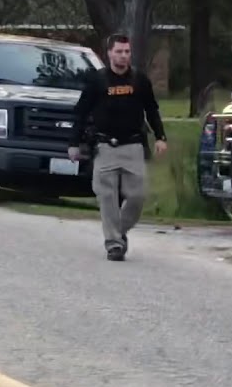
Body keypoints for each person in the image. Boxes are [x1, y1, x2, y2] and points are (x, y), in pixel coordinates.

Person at [65, 33, 167, 262]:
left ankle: (118, 231)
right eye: (119, 51)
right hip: (105, 146)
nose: (123, 55)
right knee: (107, 197)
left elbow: (151, 110)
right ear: (109, 53)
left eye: (127, 51)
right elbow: (80, 113)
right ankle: (114, 245)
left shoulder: (140, 81)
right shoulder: (97, 81)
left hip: (132, 145)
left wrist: (161, 136)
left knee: (137, 196)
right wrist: (74, 143)